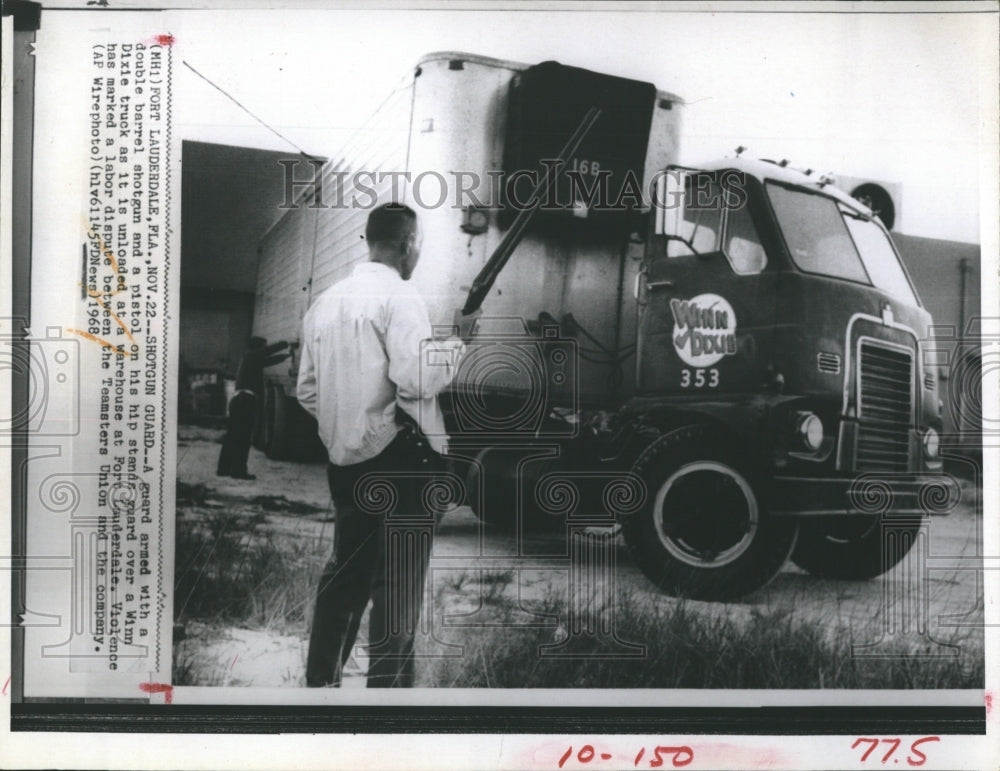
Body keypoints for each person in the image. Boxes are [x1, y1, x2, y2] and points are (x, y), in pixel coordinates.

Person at [297, 202, 467, 687]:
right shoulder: (401, 297)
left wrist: (351, 425)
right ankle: (385, 709)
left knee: (344, 581)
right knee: (397, 592)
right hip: (406, 467)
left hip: (346, 464)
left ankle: (320, 690)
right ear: (407, 244)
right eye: (418, 246)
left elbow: (307, 391)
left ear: (368, 240)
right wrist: (457, 346)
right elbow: (415, 380)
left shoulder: (325, 302)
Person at [216, 336, 290, 480]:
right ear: (258, 347)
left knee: (232, 437)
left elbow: (269, 360)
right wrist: (285, 343)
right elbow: (268, 353)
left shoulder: (251, 359)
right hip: (245, 401)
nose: (265, 348)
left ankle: (223, 469)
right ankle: (238, 471)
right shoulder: (252, 355)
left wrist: (286, 355)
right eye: (263, 346)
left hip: (239, 401)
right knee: (243, 438)